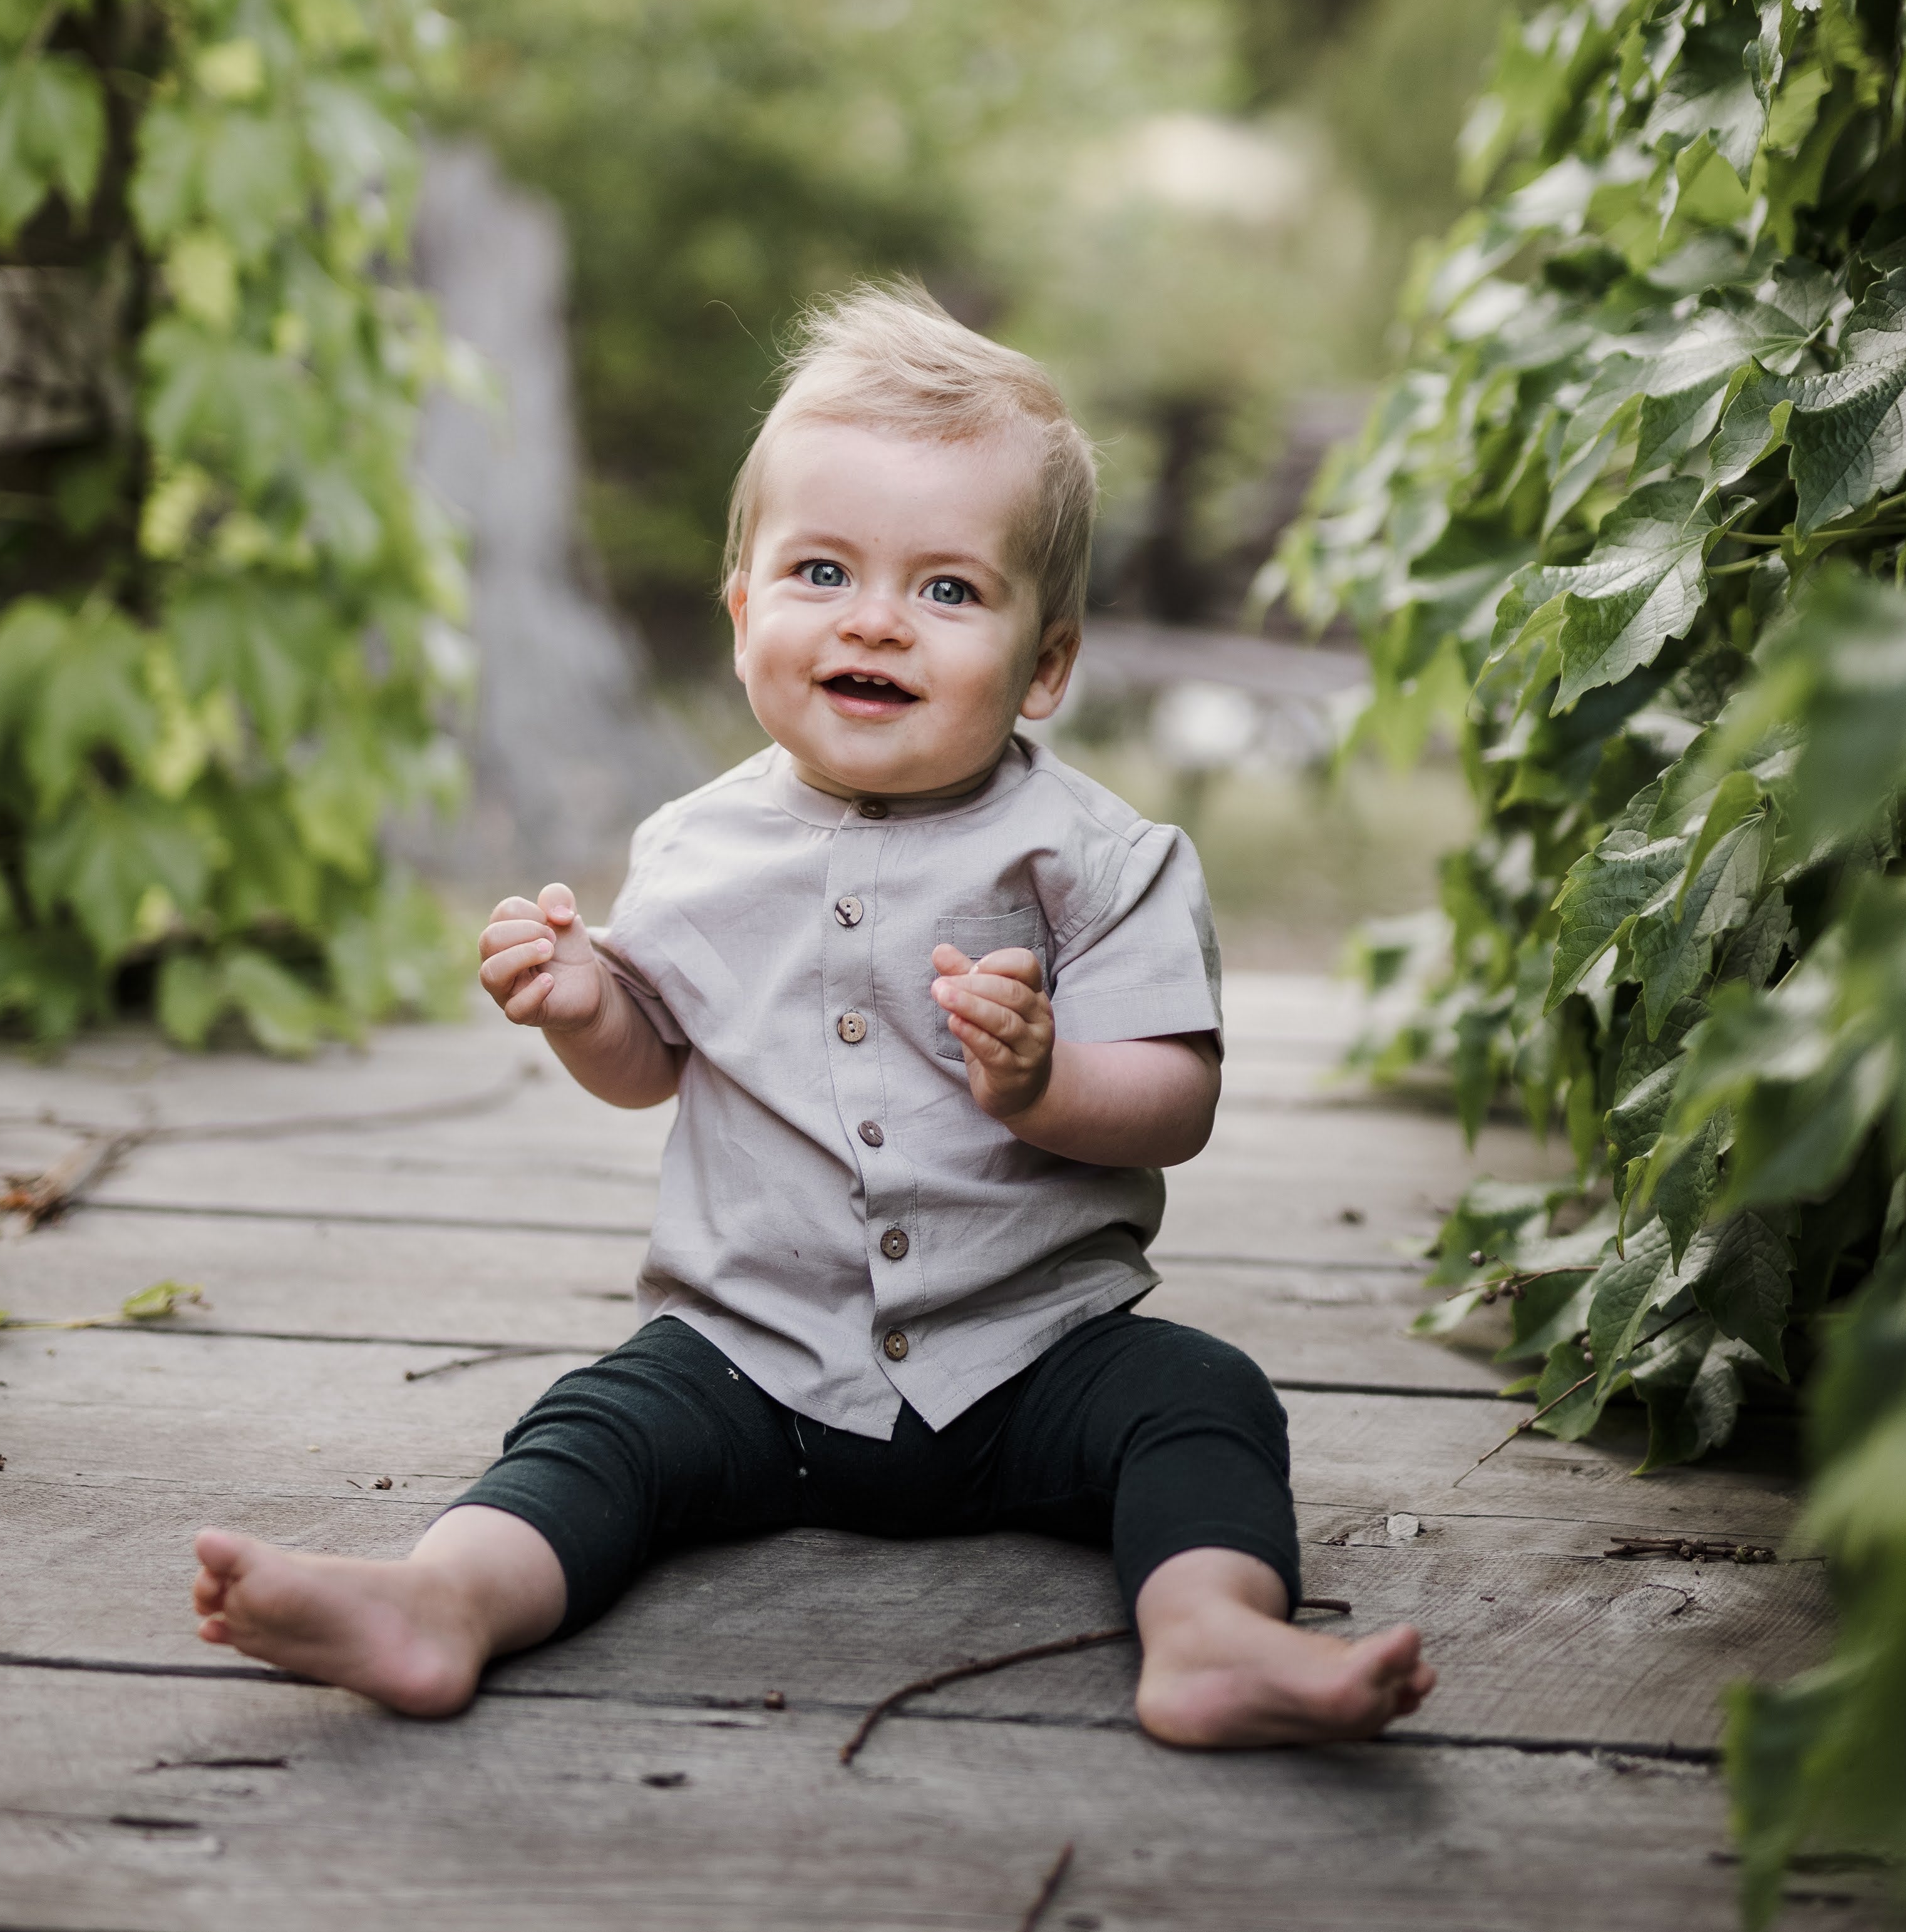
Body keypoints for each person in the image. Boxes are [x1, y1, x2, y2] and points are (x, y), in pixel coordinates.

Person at [192, 286, 1434, 1747]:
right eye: (822, 571)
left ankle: (1212, 1632)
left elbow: (1176, 1095)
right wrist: (585, 1000)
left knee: (1203, 1398)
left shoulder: (1099, 860)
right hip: (752, 1358)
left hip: (1033, 1350)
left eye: (948, 591)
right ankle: (439, 1600)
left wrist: (1044, 1085)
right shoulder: (692, 849)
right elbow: (648, 1068)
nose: (874, 622)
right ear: (743, 616)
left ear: (1046, 662)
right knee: (599, 1424)